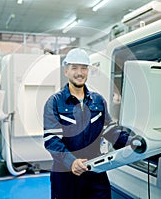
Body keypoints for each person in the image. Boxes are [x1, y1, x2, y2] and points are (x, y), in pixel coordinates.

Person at [43, 48, 133, 199]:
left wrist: (134, 142)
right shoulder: (55, 102)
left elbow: (110, 130)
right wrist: (71, 161)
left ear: (88, 70)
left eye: (84, 68)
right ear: (66, 71)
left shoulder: (98, 101)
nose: (80, 73)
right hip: (66, 174)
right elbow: (51, 140)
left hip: (95, 171)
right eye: (74, 68)